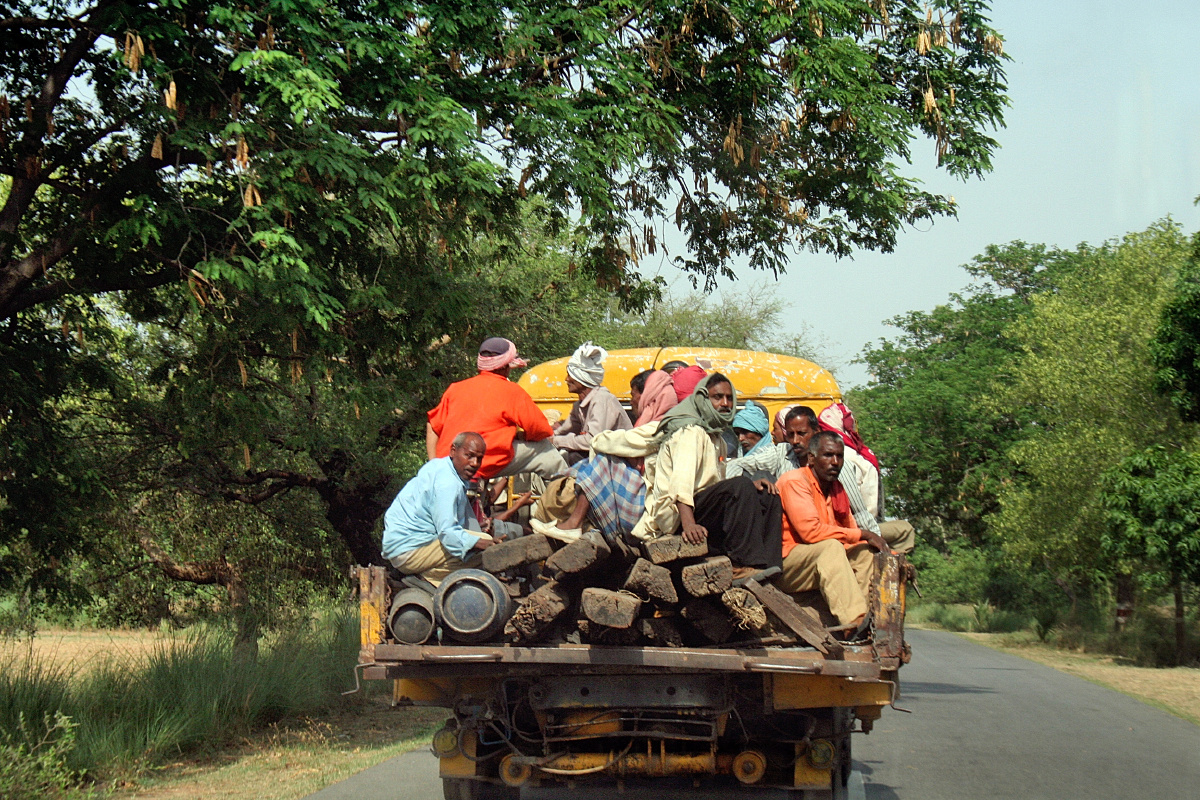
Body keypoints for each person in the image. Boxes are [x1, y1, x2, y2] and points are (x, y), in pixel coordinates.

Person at [550, 374, 781, 582]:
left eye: (729, 398)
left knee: (767, 494)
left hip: (701, 507)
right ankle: (741, 563)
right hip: (679, 514)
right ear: (702, 398)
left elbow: (714, 483)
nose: (725, 404)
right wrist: (689, 522)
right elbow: (680, 480)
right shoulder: (690, 430)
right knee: (739, 487)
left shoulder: (717, 438)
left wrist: (751, 486)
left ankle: (767, 566)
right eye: (718, 397)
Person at [775, 432, 893, 636]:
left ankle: (864, 622)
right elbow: (811, 533)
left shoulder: (836, 489)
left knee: (864, 552)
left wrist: (886, 551)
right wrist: (864, 533)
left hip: (817, 560)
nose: (835, 462)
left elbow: (849, 534)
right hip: (787, 563)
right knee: (831, 548)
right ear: (811, 458)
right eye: (828, 455)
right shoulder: (795, 481)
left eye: (839, 456)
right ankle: (852, 622)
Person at [426, 337, 567, 480]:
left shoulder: (455, 388)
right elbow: (541, 430)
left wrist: (433, 464)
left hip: (448, 463)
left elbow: (432, 425)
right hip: (481, 463)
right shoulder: (512, 391)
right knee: (544, 449)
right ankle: (568, 494)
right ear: (506, 366)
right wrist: (522, 436)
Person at [381, 432, 497, 586]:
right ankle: (429, 577)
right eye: (469, 455)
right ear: (453, 451)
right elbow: (447, 532)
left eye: (479, 458)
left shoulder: (439, 466)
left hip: (402, 545)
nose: (475, 463)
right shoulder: (448, 484)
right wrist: (478, 542)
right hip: (408, 551)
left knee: (477, 539)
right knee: (486, 549)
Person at [817, 402, 914, 554]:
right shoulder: (848, 455)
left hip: (846, 526)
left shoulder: (823, 453)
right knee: (906, 530)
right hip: (855, 526)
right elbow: (863, 508)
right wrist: (871, 533)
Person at [552, 342, 631, 464]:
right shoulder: (579, 405)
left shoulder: (601, 399)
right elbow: (566, 429)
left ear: (582, 378)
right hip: (600, 458)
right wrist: (548, 437)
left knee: (573, 458)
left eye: (570, 375)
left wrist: (556, 441)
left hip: (617, 462)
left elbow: (592, 440)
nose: (566, 379)